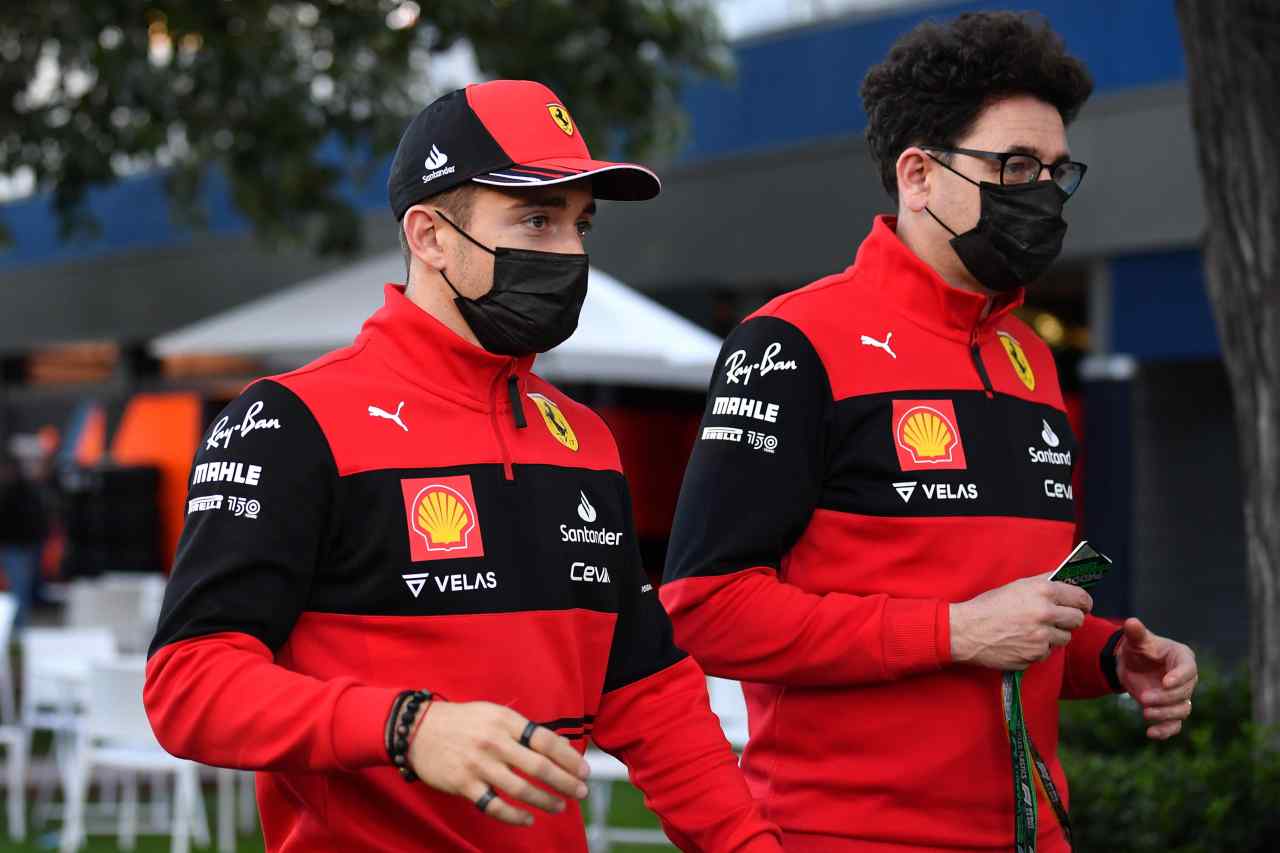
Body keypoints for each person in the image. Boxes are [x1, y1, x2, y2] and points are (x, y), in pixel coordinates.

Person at [144, 80, 781, 853]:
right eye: (537, 219)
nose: (570, 252)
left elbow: (648, 693)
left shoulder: (583, 438)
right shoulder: (290, 422)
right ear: (430, 236)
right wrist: (408, 726)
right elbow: (188, 684)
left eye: (581, 224)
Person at [661, 13, 1197, 853]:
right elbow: (705, 609)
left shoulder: (1031, 359)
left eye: (1056, 170)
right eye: (1014, 166)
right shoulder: (792, 344)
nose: (1042, 192)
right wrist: (955, 631)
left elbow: (1002, 606)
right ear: (917, 175)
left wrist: (1105, 658)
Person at [0, 445, 48, 629]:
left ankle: (18, 628)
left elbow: (32, 520)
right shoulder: (19, 490)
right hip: (17, 546)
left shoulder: (20, 491)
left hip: (18, 547)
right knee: (19, 589)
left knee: (19, 589)